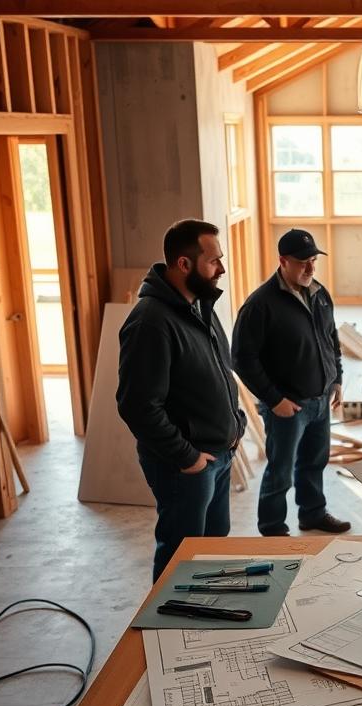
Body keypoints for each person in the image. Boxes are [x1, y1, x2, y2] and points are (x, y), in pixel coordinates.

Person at [117, 219, 246, 583]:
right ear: (184, 264)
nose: (221, 269)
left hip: (219, 456)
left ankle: (205, 620)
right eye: (213, 261)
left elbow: (221, 370)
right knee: (180, 558)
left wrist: (236, 423)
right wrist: (187, 457)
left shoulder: (201, 306)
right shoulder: (151, 322)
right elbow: (137, 405)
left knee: (213, 550)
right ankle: (170, 631)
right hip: (186, 466)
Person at [231, 229, 349, 536]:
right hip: (287, 407)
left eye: (313, 261)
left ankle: (312, 514)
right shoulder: (260, 305)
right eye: (302, 263)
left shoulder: (320, 293)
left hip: (321, 400)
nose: (310, 268)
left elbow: (330, 338)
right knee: (280, 471)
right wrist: (274, 400)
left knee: (314, 463)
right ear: (283, 261)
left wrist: (336, 379)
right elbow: (242, 359)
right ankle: (272, 528)